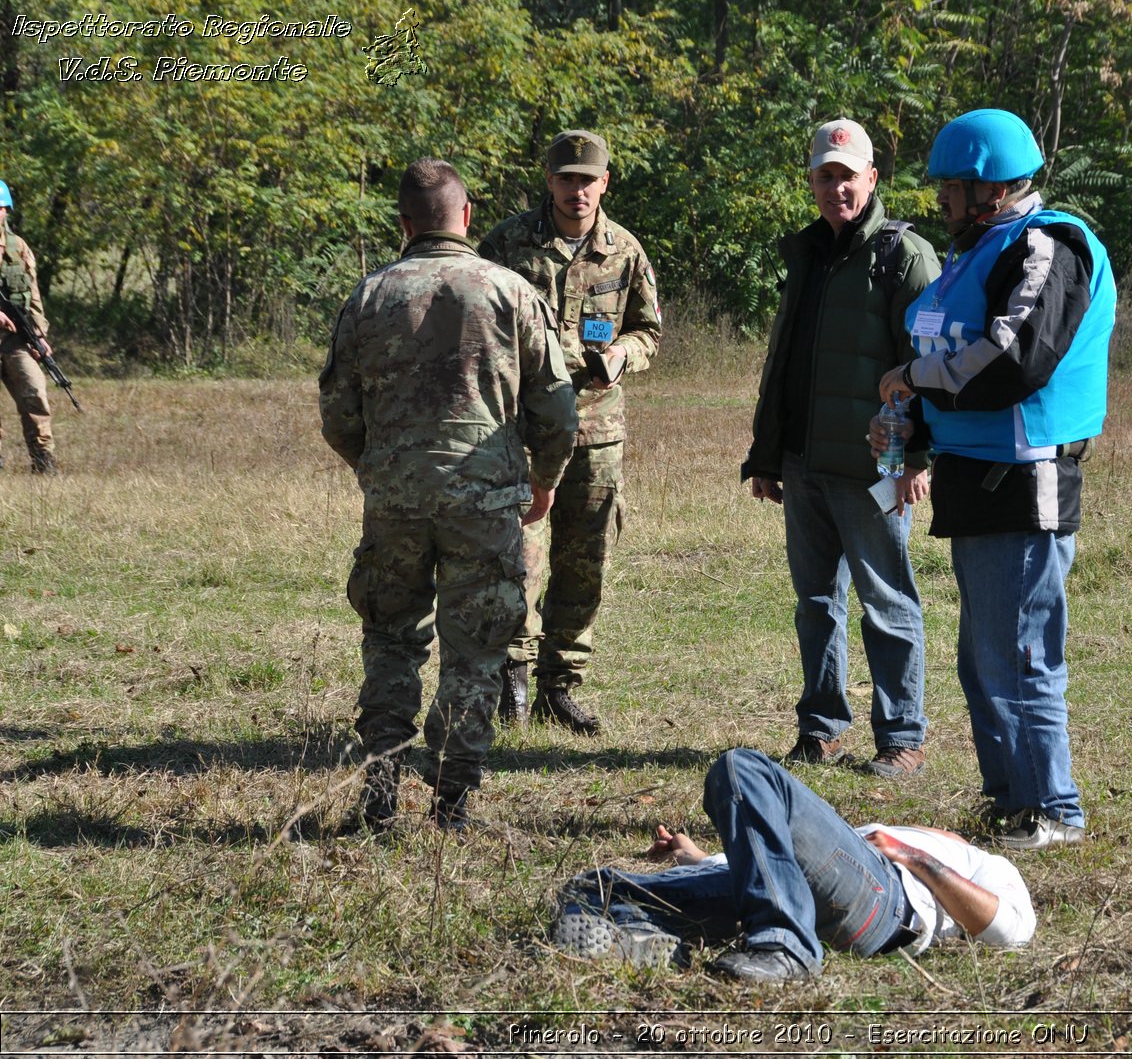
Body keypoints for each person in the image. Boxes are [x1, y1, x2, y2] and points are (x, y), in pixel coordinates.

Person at [875, 109, 1115, 850]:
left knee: (1021, 652)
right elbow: (952, 353)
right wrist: (908, 428)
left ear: (989, 186)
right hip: (972, 476)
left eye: (951, 184)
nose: (940, 198)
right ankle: (1011, 799)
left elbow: (1013, 359)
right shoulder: (972, 251)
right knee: (982, 658)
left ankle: (1054, 808)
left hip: (1024, 479)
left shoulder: (1045, 246)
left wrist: (915, 377)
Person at [321, 158, 578, 830]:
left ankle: (379, 791)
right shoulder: (511, 292)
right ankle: (452, 801)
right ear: (467, 217)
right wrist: (543, 482)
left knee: (390, 640)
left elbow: (337, 412)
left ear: (404, 224)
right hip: (487, 501)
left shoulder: (370, 295)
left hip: (396, 499)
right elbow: (557, 409)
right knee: (478, 649)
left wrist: (379, 469)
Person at [742, 119, 940, 779]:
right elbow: (785, 364)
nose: (837, 188)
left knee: (887, 601)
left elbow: (933, 365)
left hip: (873, 471)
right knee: (817, 605)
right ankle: (821, 730)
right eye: (825, 176)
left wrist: (919, 459)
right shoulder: (806, 253)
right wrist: (768, 459)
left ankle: (902, 738)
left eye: (847, 175)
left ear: (872, 178)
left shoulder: (904, 256)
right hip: (803, 466)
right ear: (813, 182)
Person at [552, 748, 1035, 981]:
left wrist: (915, 857)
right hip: (800, 889)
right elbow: (770, 863)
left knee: (741, 769)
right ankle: (655, 946)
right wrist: (695, 857)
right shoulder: (866, 836)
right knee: (593, 889)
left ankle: (787, 947)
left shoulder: (980, 861)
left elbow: (1011, 931)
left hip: (885, 904)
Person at [480, 130, 662, 736]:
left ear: (605, 182)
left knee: (586, 559)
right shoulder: (506, 243)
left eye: (588, 179)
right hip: (522, 430)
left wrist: (622, 355)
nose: (577, 191)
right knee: (517, 559)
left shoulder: (625, 250)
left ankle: (562, 682)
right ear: (549, 180)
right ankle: (513, 677)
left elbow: (649, 331)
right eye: (566, 178)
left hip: (596, 430)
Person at [0, 180, 60, 475]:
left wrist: (39, 334)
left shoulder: (18, 247)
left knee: (35, 391)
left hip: (15, 339)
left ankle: (43, 460)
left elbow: (32, 292)